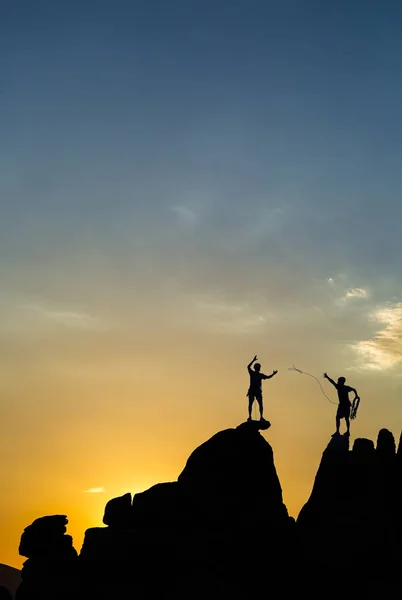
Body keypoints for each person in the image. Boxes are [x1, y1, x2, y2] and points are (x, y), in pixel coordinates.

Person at [247, 355, 278, 421]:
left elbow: (268, 377)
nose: (259, 368)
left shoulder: (260, 375)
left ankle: (261, 417)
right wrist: (253, 360)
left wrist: (273, 374)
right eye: (258, 367)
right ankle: (250, 417)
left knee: (260, 404)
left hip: (257, 391)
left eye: (259, 367)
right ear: (256, 368)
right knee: (251, 404)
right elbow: (248, 367)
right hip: (252, 391)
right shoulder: (252, 373)